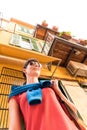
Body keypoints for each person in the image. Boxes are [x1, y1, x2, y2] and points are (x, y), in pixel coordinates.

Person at [8, 58, 86, 130]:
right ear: (24, 70)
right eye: (31, 63)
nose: (36, 65)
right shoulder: (16, 95)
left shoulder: (49, 88)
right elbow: (14, 127)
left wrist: (58, 91)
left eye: (38, 65)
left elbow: (74, 110)